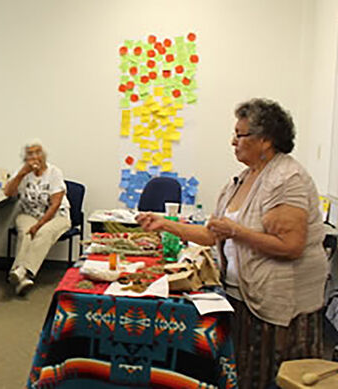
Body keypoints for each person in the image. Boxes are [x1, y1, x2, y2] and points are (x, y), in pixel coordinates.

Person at [135, 98, 327, 389]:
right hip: (242, 298)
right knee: (246, 375)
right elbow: (214, 235)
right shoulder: (240, 180)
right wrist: (165, 224)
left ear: (265, 140)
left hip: (279, 306)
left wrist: (237, 231)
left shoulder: (287, 178)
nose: (233, 141)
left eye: (240, 134)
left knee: (272, 378)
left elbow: (291, 246)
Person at [3, 139, 71, 296]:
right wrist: (21, 174)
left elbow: (55, 204)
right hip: (28, 213)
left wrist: (39, 224)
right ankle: (23, 277)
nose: (35, 157)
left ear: (44, 155)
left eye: (38, 152)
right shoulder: (22, 172)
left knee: (43, 233)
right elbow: (8, 193)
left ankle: (22, 271)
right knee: (25, 232)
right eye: (30, 154)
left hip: (57, 215)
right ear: (25, 158)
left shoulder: (54, 172)